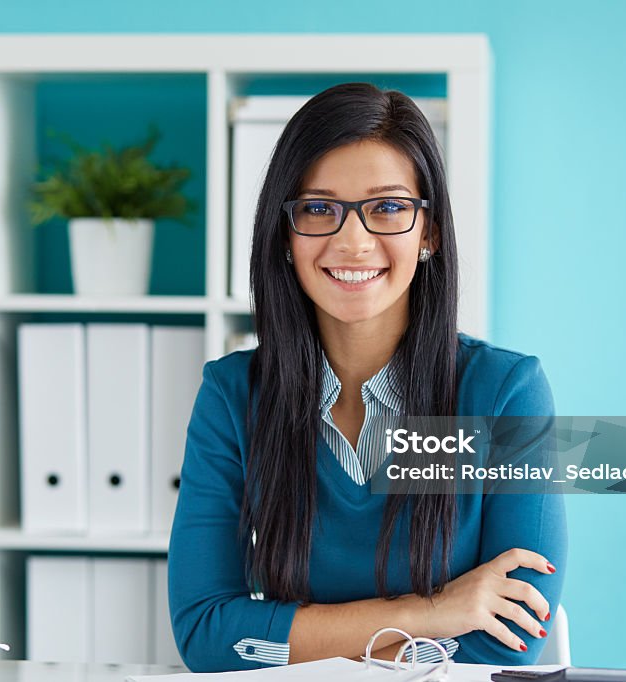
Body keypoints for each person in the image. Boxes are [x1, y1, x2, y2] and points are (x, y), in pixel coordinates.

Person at [167, 82, 567, 672]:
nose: (353, 242)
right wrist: (430, 613)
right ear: (285, 233)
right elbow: (205, 634)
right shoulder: (232, 396)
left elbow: (508, 639)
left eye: (387, 207)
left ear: (428, 231)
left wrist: (296, 639)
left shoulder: (507, 392)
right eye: (319, 209)